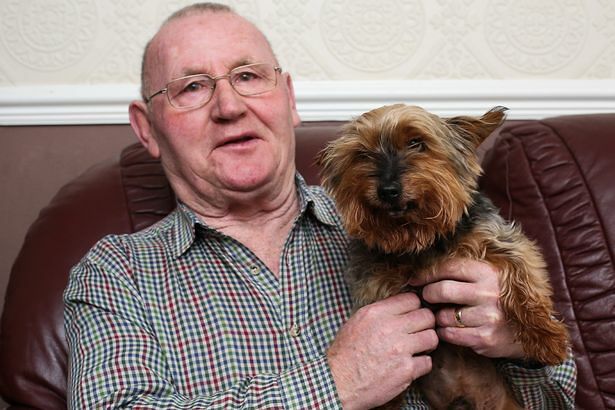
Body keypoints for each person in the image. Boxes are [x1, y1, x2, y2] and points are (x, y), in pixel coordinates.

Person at [64, 2, 576, 409]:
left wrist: (522, 347)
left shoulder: (422, 227)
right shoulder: (115, 274)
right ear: (145, 127)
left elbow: (559, 396)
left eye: (248, 76)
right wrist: (334, 387)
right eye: (192, 87)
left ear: (288, 98)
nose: (229, 106)